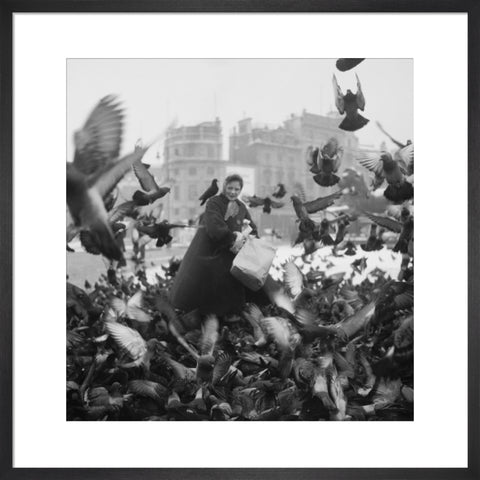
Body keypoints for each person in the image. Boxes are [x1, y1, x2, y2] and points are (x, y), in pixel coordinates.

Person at [169, 174, 268, 317]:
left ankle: (233, 316)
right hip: (212, 252)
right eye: (230, 188)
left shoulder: (241, 207)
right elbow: (215, 226)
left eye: (236, 189)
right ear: (224, 187)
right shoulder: (214, 203)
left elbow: (252, 228)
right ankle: (209, 318)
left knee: (237, 290)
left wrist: (250, 237)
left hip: (233, 255)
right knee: (207, 297)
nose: (233, 192)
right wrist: (233, 238)